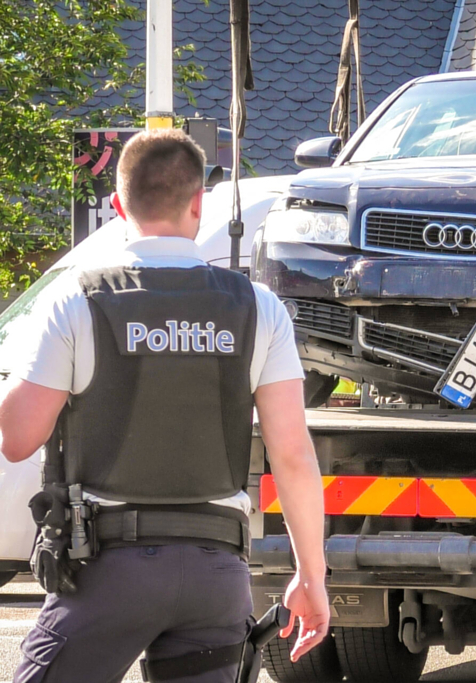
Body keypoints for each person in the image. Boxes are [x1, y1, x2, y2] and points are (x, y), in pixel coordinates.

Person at [0, 129, 329, 682]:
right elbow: (293, 455)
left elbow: (17, 437)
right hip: (216, 575)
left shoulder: (77, 299)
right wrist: (311, 576)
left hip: (108, 571)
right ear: (199, 202)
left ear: (119, 204)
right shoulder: (259, 308)